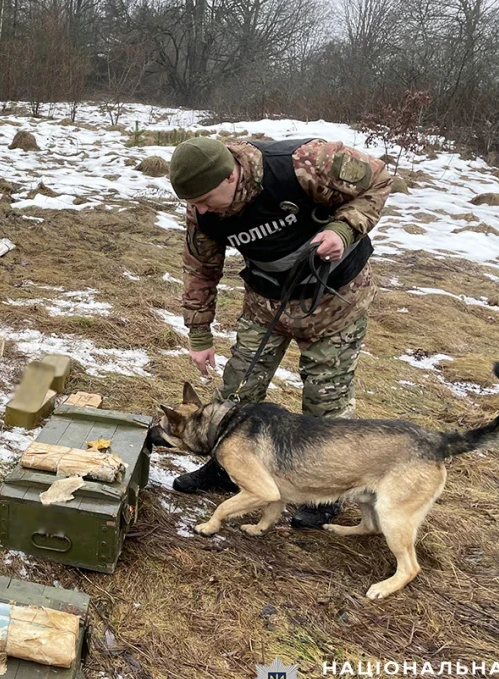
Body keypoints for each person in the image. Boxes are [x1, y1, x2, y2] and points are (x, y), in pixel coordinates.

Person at [168, 135, 392, 528]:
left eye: (203, 199)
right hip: (266, 302)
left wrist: (343, 229)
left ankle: (326, 492)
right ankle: (227, 468)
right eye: (193, 203)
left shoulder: (302, 162)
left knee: (326, 402)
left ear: (228, 177)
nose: (199, 209)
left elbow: (377, 179)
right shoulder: (202, 209)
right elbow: (200, 268)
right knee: (238, 387)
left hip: (334, 299)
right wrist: (199, 333)